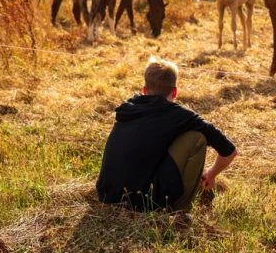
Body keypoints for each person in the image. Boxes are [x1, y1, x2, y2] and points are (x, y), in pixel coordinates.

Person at [96, 57, 237, 212]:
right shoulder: (180, 116)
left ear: (144, 90)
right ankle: (180, 209)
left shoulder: (128, 108)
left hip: (106, 195)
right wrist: (211, 174)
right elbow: (229, 151)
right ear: (174, 92)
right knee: (196, 139)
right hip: (141, 203)